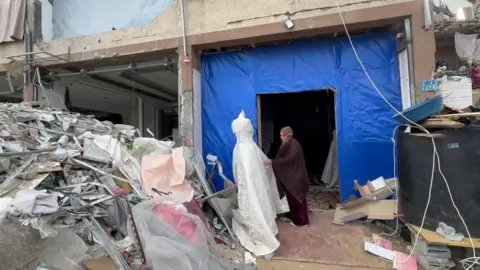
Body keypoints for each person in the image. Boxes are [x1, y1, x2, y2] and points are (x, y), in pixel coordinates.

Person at [230, 111, 288, 257]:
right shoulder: (249, 143)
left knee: (253, 195)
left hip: (245, 158)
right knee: (256, 194)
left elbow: (242, 172)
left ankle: (265, 237)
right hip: (248, 154)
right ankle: (265, 226)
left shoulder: (241, 144)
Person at [265, 126, 310, 227]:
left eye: (283, 136)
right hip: (294, 177)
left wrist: (273, 162)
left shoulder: (294, 145)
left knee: (297, 199)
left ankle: (301, 221)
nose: (281, 137)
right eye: (281, 135)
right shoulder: (288, 143)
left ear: (288, 136)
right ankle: (302, 220)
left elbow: (287, 160)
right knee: (296, 199)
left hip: (296, 178)